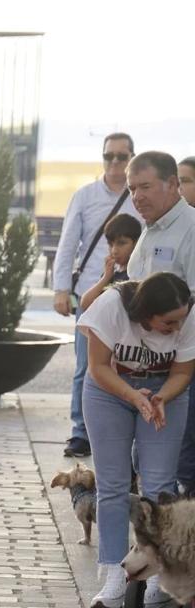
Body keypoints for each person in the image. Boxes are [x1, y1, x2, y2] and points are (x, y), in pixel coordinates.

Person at [79, 272, 195, 608]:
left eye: (181, 320)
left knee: (159, 485)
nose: (176, 328)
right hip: (108, 390)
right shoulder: (111, 305)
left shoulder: (187, 314)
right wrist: (133, 396)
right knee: (113, 484)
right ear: (146, 314)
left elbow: (183, 373)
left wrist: (158, 399)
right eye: (168, 322)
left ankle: (160, 575)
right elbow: (98, 366)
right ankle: (115, 570)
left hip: (166, 393)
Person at [52, 133, 141, 459]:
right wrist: (62, 289)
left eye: (122, 156)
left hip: (134, 295)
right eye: (109, 157)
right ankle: (81, 433)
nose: (115, 163)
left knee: (130, 365)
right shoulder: (85, 196)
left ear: (132, 157)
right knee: (85, 366)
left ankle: (125, 433)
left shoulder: (140, 197)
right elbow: (68, 244)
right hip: (92, 294)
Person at [124, 152, 195, 497]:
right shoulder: (150, 231)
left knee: (182, 465)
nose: (137, 196)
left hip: (182, 369)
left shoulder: (191, 229)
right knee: (147, 465)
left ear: (172, 185)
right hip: (145, 367)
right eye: (132, 188)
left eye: (146, 186)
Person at [79, 214, 142, 312]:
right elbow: (85, 304)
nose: (114, 251)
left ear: (136, 243)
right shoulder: (111, 275)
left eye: (121, 243)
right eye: (110, 245)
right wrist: (105, 278)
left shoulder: (138, 274)